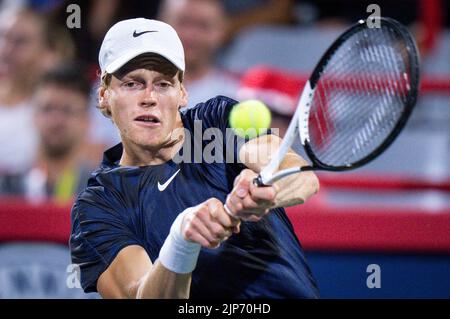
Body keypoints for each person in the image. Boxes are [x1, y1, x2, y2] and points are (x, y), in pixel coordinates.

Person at [70, 18, 320, 298]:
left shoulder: (214, 122)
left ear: (182, 93)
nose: (149, 97)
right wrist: (182, 241)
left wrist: (266, 189)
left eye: (163, 84)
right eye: (132, 83)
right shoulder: (99, 205)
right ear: (104, 96)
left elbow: (298, 173)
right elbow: (139, 294)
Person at [0, 62, 94, 204]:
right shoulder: (8, 188)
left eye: (67, 110)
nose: (56, 120)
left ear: (86, 121)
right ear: (32, 115)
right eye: (47, 109)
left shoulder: (102, 190)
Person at [0, 7, 74, 174]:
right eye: (3, 37)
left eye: (20, 41)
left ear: (46, 53)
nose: (6, 49)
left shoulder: (61, 108)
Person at [158, 0, 239, 108]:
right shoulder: (132, 89)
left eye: (203, 26)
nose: (191, 35)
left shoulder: (238, 94)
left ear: (222, 31)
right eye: (183, 22)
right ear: (161, 24)